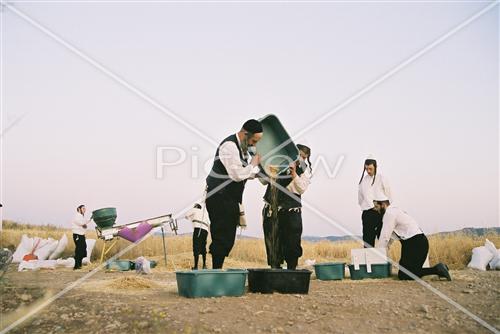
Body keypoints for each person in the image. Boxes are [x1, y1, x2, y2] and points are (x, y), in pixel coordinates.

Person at [205, 119, 263, 269]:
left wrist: (257, 174)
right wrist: (253, 164)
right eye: (254, 141)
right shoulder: (229, 146)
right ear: (245, 134)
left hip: (229, 198)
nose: (254, 145)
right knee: (222, 236)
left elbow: (242, 173)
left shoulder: (242, 148)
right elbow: (236, 174)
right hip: (219, 196)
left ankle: (217, 270)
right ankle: (215, 272)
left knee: (227, 237)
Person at [261, 144, 312, 270]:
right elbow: (263, 181)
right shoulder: (280, 163)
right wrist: (266, 168)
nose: (300, 158)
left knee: (292, 243)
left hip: (291, 211)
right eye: (298, 155)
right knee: (273, 242)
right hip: (272, 210)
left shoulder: (305, 171)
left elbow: (301, 188)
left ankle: (291, 272)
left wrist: (294, 173)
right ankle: (275, 271)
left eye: (303, 157)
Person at [374, 198, 451, 281]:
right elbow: (390, 237)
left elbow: (385, 237)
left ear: (383, 205)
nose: (375, 209)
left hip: (415, 243)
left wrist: (377, 254)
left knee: (405, 275)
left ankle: (437, 269)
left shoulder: (389, 214)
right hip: (413, 243)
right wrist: (385, 249)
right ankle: (441, 268)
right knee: (404, 273)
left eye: (376, 206)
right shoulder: (394, 211)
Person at [358, 156, 392, 247]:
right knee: (368, 239)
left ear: (376, 167)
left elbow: (388, 194)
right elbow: (360, 199)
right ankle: (369, 260)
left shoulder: (382, 178)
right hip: (368, 212)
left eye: (370, 169)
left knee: (383, 237)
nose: (368, 171)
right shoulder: (363, 181)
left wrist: (384, 208)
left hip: (381, 210)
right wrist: (369, 207)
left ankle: (384, 259)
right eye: (366, 169)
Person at [185, 203, 210, 270]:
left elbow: (186, 215)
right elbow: (209, 223)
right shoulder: (204, 213)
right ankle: (204, 265)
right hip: (205, 230)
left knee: (196, 246)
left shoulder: (194, 210)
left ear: (195, 207)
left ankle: (195, 267)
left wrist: (188, 217)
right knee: (203, 247)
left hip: (198, 229)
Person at [71, 204, 91, 270]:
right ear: (79, 209)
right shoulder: (77, 216)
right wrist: (85, 223)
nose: (84, 210)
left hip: (81, 235)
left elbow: (84, 223)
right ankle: (76, 266)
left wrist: (89, 220)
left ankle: (79, 265)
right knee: (79, 250)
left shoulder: (81, 216)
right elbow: (81, 223)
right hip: (77, 235)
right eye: (83, 208)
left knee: (83, 249)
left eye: (85, 209)